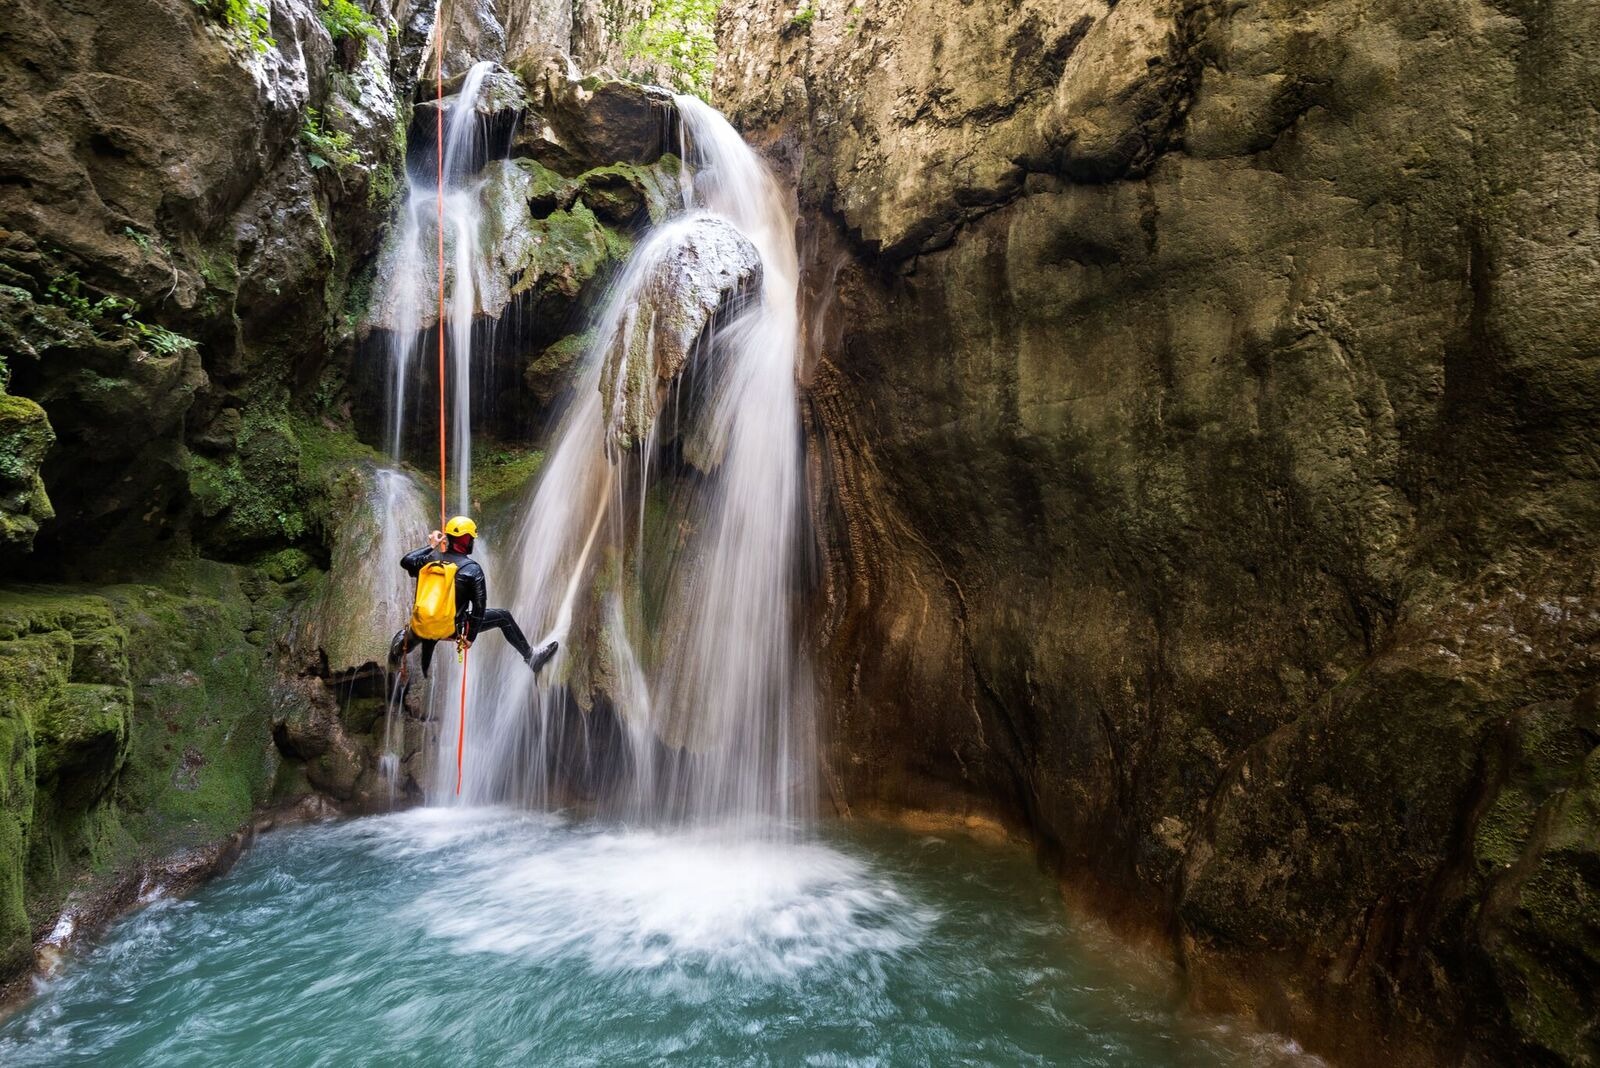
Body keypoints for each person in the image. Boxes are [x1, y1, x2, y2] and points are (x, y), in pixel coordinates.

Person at [388, 515, 558, 679]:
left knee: (403, 638)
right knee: (503, 616)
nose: (473, 542)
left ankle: (395, 656)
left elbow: (406, 561)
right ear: (466, 539)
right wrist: (470, 638)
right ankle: (531, 658)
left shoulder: (429, 560)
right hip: (454, 629)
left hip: (424, 625)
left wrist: (432, 545)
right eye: (472, 539)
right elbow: (479, 608)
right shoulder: (472, 570)